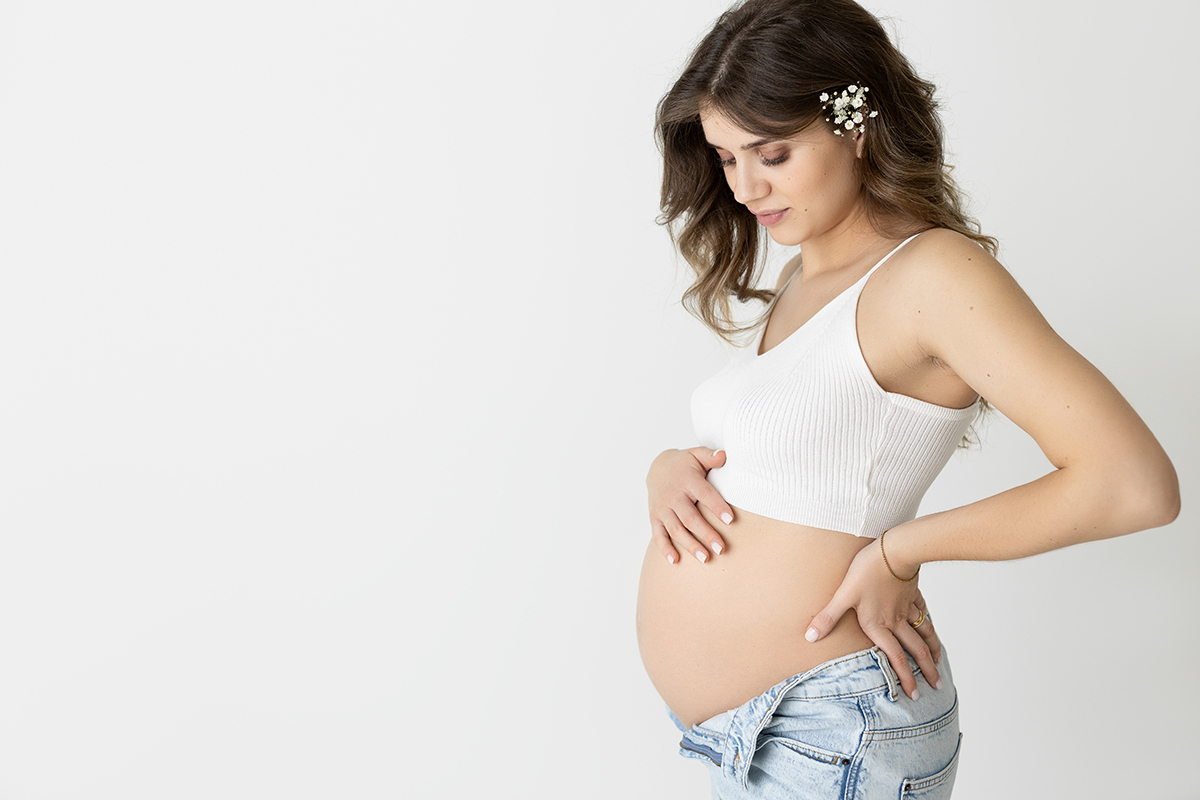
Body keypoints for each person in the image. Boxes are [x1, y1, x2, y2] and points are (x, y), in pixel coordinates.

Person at [634, 1, 1180, 797]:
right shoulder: (806, 273)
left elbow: (1132, 485)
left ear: (855, 124)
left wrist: (901, 550)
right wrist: (669, 471)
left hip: (834, 725)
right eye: (725, 158)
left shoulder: (932, 275)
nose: (746, 187)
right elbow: (800, 456)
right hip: (762, 736)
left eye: (773, 154)